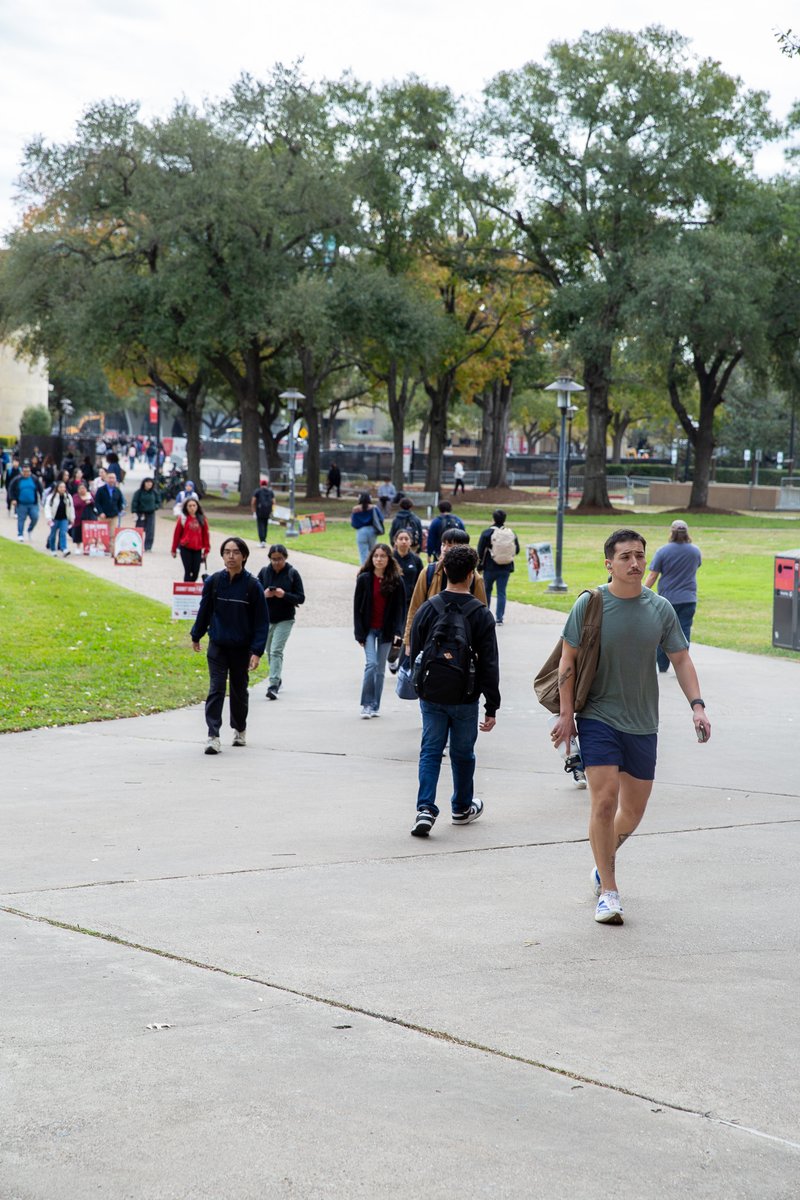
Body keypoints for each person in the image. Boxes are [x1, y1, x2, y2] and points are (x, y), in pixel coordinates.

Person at [550, 528, 712, 927]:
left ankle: (602, 862)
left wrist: (698, 706)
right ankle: (609, 891)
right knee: (604, 801)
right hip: (598, 717)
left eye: (640, 555)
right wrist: (567, 714)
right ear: (609, 563)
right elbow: (566, 663)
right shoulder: (589, 605)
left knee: (633, 812)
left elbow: (681, 659)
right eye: (625, 557)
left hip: (642, 721)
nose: (635, 563)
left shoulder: (659, 609)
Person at [409, 544, 499, 837]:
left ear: (444, 569)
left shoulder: (428, 608)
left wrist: (420, 685)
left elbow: (417, 655)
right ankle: (461, 807)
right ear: (472, 574)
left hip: (432, 694)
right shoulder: (481, 614)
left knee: (431, 751)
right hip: (465, 696)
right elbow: (489, 663)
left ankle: (425, 808)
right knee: (463, 753)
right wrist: (491, 706)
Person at [190, 537, 269, 754]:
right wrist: (196, 635)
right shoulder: (214, 582)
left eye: (235, 552)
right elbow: (204, 611)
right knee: (216, 688)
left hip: (241, 648)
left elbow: (261, 622)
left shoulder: (253, 586)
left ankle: (239, 729)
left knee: (238, 690)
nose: (231, 556)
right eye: (227, 552)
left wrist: (256, 651)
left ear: (244, 556)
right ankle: (213, 735)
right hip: (218, 646)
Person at [404, 528, 488, 649]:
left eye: (450, 545)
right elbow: (415, 608)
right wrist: (408, 640)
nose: (444, 549)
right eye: (443, 544)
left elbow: (481, 616)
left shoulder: (475, 579)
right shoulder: (429, 572)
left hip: (461, 643)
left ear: (462, 549)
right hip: (430, 640)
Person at [353, 543, 406, 718]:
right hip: (368, 629)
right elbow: (357, 608)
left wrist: (399, 632)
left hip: (387, 631)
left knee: (380, 670)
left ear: (389, 558)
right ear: (371, 558)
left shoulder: (397, 580)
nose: (379, 559)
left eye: (383, 556)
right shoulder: (364, 579)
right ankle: (366, 704)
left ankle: (375, 705)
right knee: (371, 665)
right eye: (376, 556)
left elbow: (400, 609)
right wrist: (359, 633)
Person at [644, 519, 703, 674]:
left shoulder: (663, 551)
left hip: (667, 599)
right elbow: (696, 566)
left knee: (662, 632)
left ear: (671, 532)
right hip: (689, 598)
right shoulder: (695, 551)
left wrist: (642, 591)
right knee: (684, 632)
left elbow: (652, 575)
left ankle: (662, 665)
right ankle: (682, 666)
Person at [257, 544, 305, 700]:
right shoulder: (264, 572)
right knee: (269, 651)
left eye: (280, 559)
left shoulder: (292, 573)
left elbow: (300, 598)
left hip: (285, 618)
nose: (276, 562)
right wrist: (264, 595)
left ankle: (273, 684)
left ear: (285, 558)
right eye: (273, 559)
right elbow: (254, 594)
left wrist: (284, 595)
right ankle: (277, 677)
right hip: (266, 619)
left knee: (276, 650)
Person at [477, 509, 519, 626]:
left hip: (490, 567)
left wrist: (479, 566)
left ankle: (485, 615)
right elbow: (517, 549)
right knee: (501, 592)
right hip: (506, 567)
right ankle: (499, 618)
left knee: (487, 591)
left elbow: (480, 551)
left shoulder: (487, 533)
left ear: (493, 519)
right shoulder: (511, 533)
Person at [171, 496, 210, 581]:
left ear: (197, 507)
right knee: (187, 571)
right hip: (185, 548)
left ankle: (190, 588)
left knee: (196, 572)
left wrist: (206, 549)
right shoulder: (183, 519)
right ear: (186, 507)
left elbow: (206, 535)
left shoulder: (202, 519)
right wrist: (173, 549)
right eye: (190, 506)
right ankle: (186, 591)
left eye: (194, 505)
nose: (192, 508)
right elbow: (176, 535)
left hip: (198, 548)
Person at [9, 464, 43, 541]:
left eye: (28, 471)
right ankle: (20, 534)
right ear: (22, 472)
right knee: (21, 519)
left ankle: (30, 529)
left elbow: (40, 489)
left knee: (35, 517)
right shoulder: (17, 480)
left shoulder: (34, 479)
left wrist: (42, 497)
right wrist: (13, 499)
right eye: (24, 471)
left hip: (33, 503)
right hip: (21, 503)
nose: (26, 473)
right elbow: (11, 489)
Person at [350, 491, 383, 564]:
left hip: (361, 531)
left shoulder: (356, 509)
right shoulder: (374, 508)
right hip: (372, 530)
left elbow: (353, 523)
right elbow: (381, 518)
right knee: (373, 551)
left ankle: (364, 570)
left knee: (363, 553)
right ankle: (373, 567)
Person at [393, 529, 424, 606]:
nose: (404, 541)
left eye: (406, 539)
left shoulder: (416, 560)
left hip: (410, 601)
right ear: (395, 542)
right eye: (400, 539)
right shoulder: (390, 559)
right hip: (392, 599)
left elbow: (421, 580)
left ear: (410, 542)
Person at [44, 479, 75, 556]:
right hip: (54, 518)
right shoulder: (51, 497)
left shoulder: (68, 497)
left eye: (64, 487)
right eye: (60, 487)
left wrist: (72, 518)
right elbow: (47, 508)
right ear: (57, 488)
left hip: (64, 518)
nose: (62, 489)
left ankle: (64, 548)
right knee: (53, 534)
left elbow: (71, 508)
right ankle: (53, 549)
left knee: (63, 533)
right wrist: (49, 518)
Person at [131, 477, 162, 551]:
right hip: (141, 513)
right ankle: (137, 545)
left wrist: (155, 507)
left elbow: (158, 501)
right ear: (144, 483)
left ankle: (148, 547)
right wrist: (134, 511)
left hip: (151, 513)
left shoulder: (154, 492)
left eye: (150, 483)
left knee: (150, 531)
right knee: (139, 529)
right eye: (147, 482)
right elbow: (134, 502)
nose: (149, 484)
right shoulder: (138, 492)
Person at [250, 477, 275, 548]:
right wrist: (272, 511)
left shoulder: (257, 491)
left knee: (260, 525)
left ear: (260, 484)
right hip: (268, 511)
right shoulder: (270, 492)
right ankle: (264, 540)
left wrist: (254, 511)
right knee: (265, 525)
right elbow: (274, 502)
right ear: (266, 484)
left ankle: (262, 541)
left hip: (260, 511)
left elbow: (253, 502)